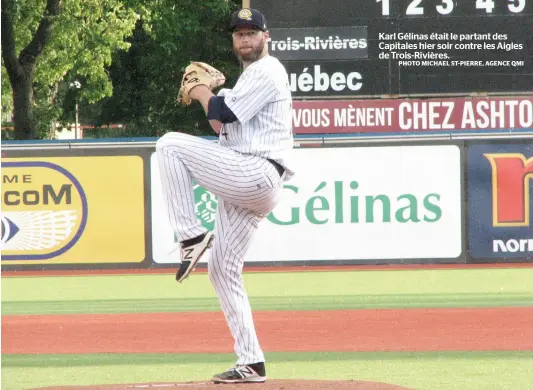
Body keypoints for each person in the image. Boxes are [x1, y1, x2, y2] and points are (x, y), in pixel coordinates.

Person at [155, 7, 294, 384]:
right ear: (233, 40)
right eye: (239, 34)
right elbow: (219, 121)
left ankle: (190, 236)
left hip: (257, 172)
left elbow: (222, 110)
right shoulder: (246, 81)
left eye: (252, 33)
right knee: (222, 270)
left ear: (267, 36)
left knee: (168, 145)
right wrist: (211, 97)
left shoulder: (268, 71)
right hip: (247, 180)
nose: (246, 39)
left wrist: (201, 90)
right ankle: (252, 362)